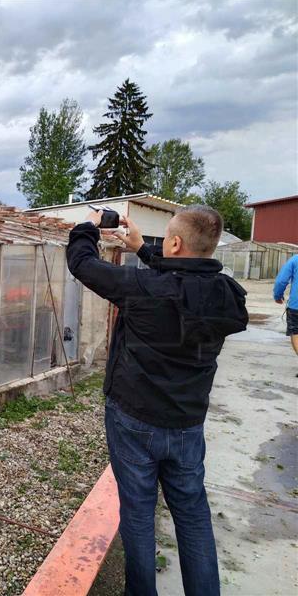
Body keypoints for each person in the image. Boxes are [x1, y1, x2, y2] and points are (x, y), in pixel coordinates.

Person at [66, 205, 248, 596]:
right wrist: (145, 251)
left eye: (165, 237)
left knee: (137, 514)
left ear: (176, 243)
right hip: (187, 426)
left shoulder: (142, 288)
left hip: (134, 420)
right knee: (193, 515)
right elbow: (186, 287)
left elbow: (82, 263)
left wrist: (90, 225)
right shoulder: (225, 294)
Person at [273, 254, 298, 366]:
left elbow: (281, 281)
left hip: (296, 306)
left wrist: (278, 296)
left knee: (296, 333)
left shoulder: (295, 259)